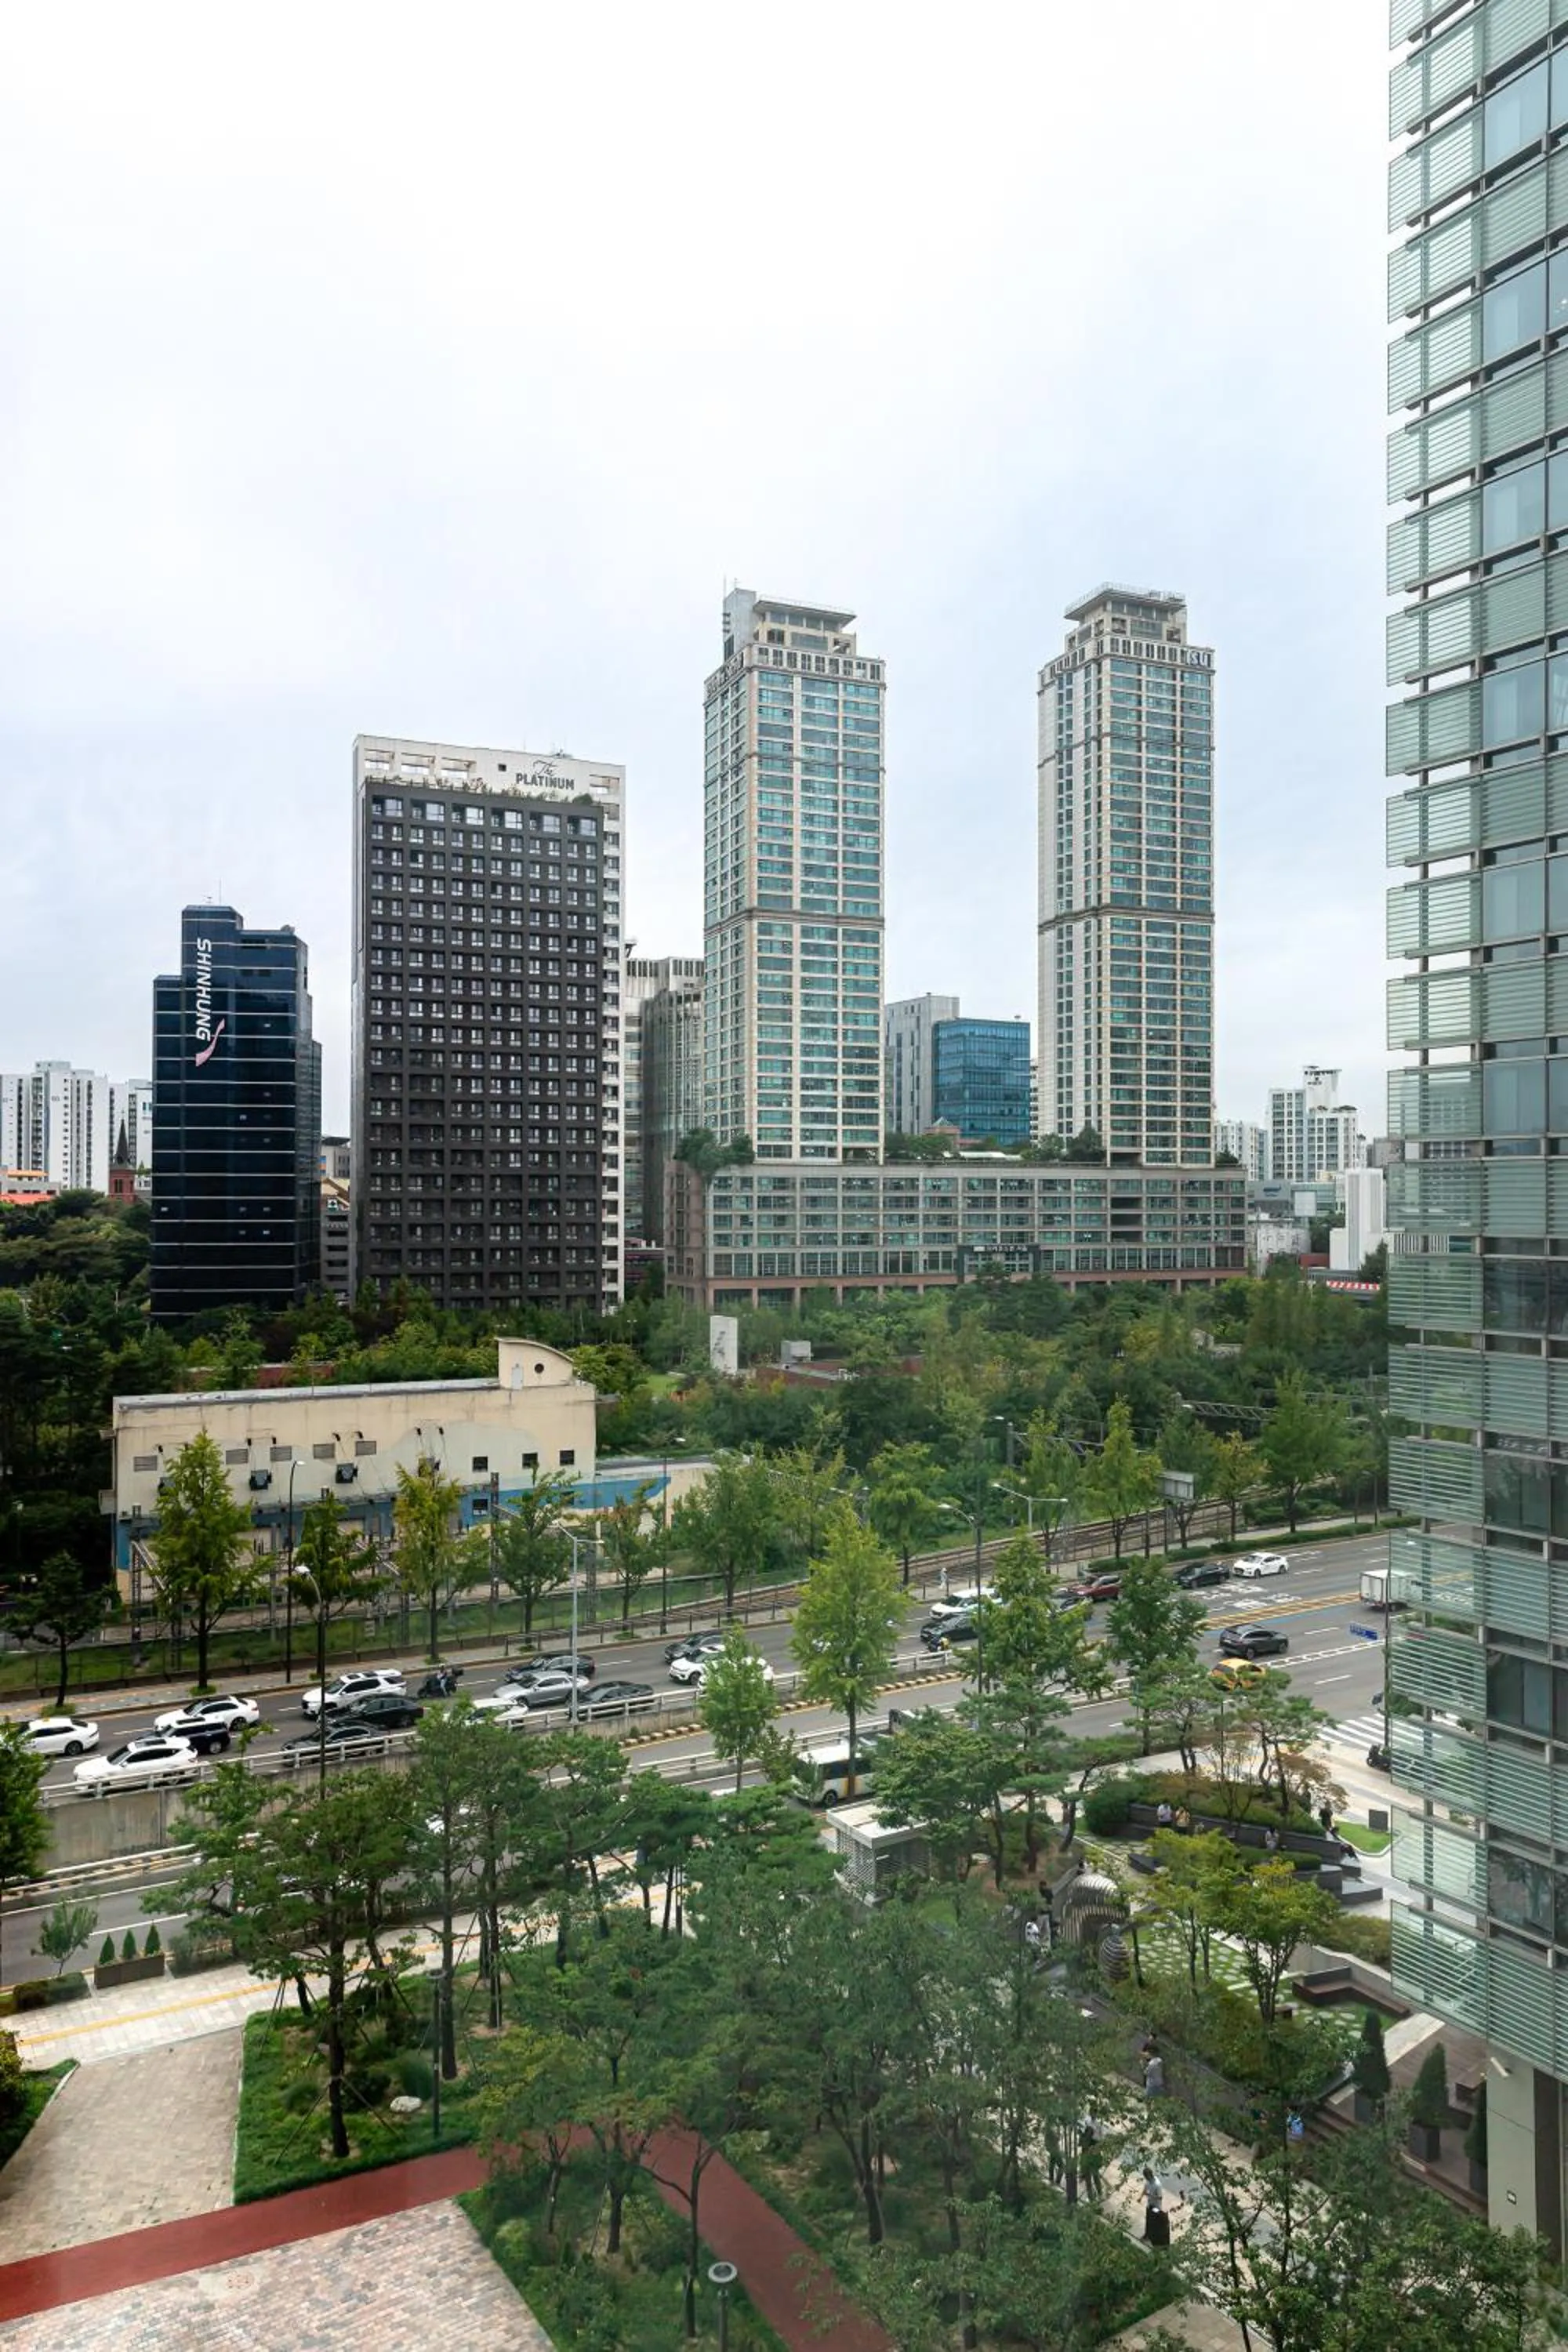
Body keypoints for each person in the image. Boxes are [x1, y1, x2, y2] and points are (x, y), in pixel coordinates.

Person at [1142, 2167, 1169, 2245]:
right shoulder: (1148, 2182)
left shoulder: (1157, 2185)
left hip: (1156, 2207)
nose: (1146, 2179)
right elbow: (1145, 2190)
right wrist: (1141, 2197)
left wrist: (1150, 2195)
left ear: (1149, 2176)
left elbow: (1160, 2197)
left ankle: (1154, 2237)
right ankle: (1147, 2234)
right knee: (1148, 2220)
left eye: (1146, 2177)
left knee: (1154, 2221)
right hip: (1150, 2204)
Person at [1080, 2117, 1104, 2199]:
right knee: (1089, 2181)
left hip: (1092, 2163)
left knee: (1095, 2178)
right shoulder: (1085, 2141)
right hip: (1088, 2163)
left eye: (1089, 2133)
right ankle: (1092, 2197)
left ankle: (1099, 2194)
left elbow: (1098, 2155)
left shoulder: (1094, 2142)